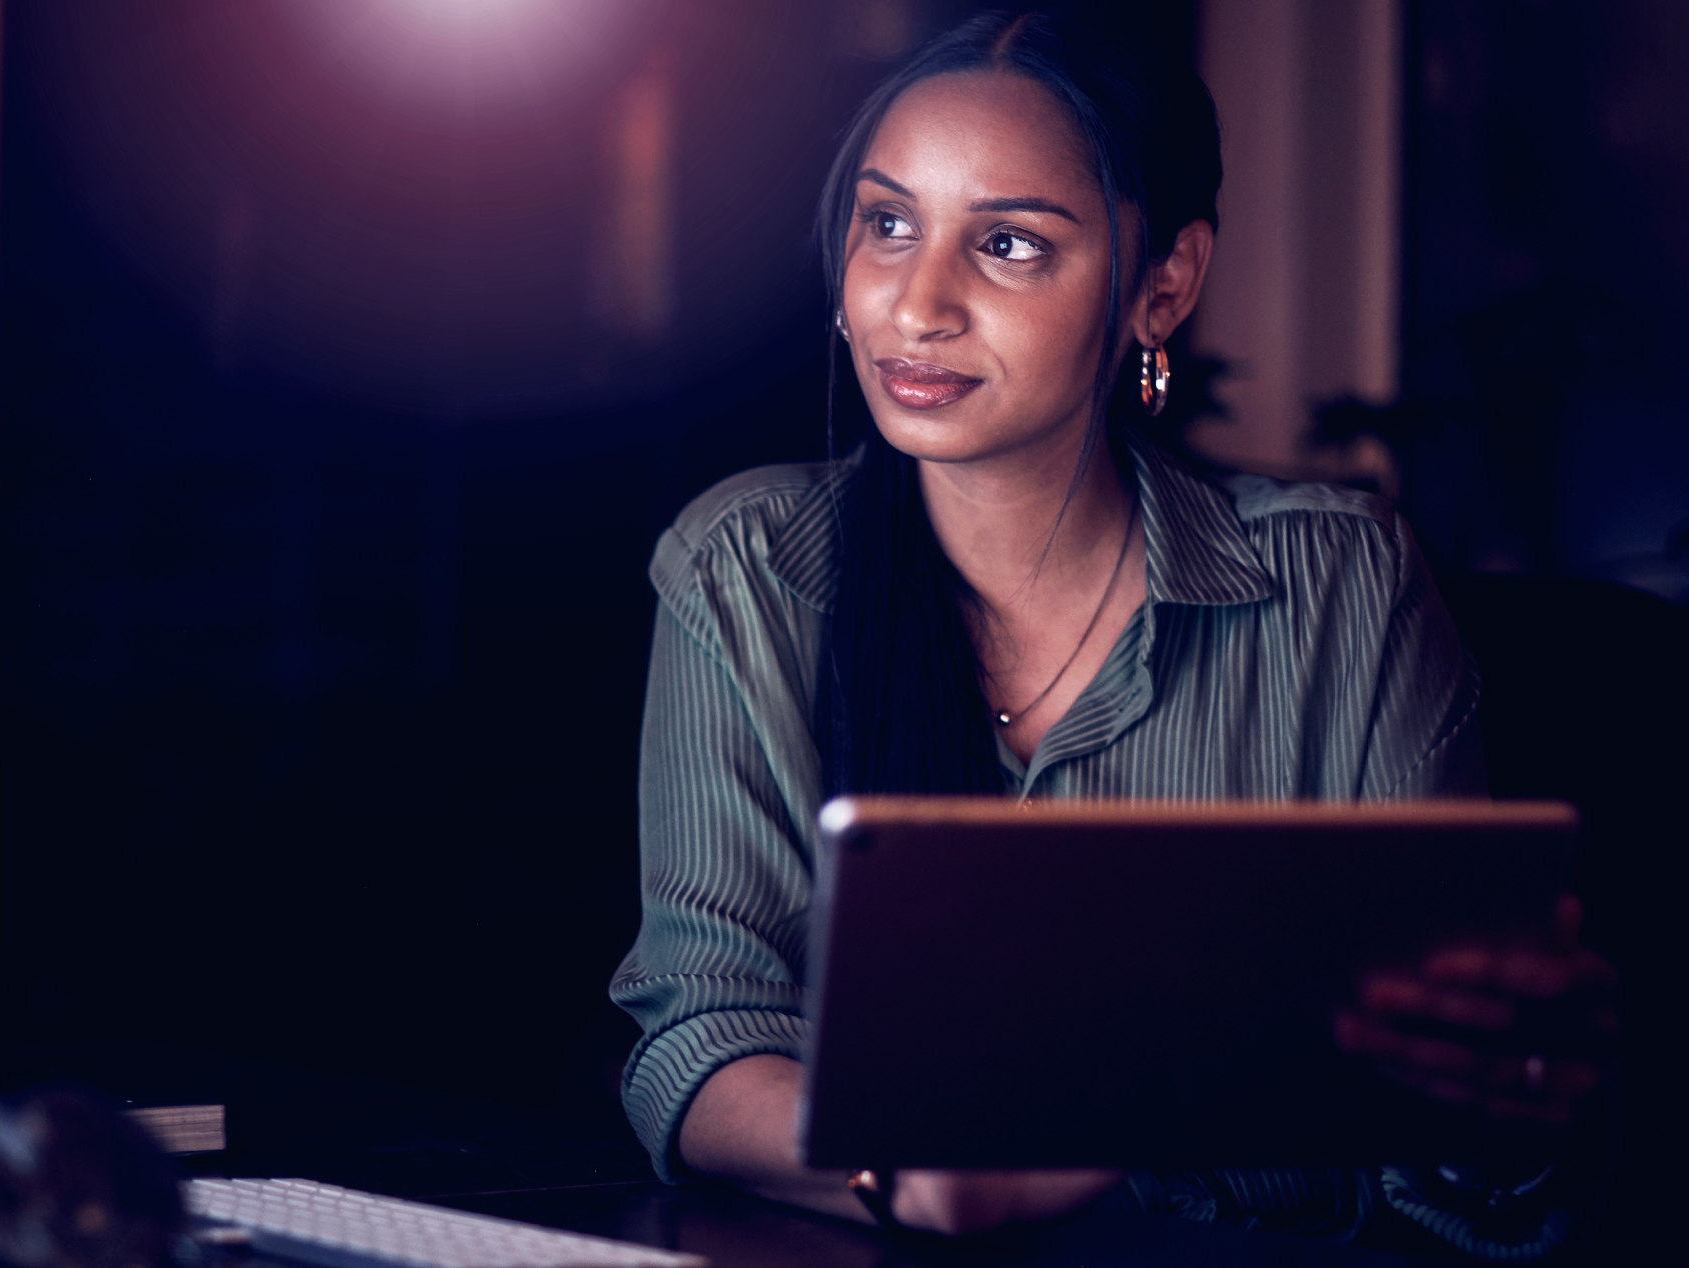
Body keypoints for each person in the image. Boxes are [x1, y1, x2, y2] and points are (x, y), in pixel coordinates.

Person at [610, 6, 1616, 1256]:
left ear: (1164, 286)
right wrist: (912, 1175)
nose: (916, 305)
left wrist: (1497, 1090)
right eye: (888, 224)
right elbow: (702, 1036)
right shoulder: (746, 570)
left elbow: (1434, 1157)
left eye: (1011, 244)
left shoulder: (1338, 584)